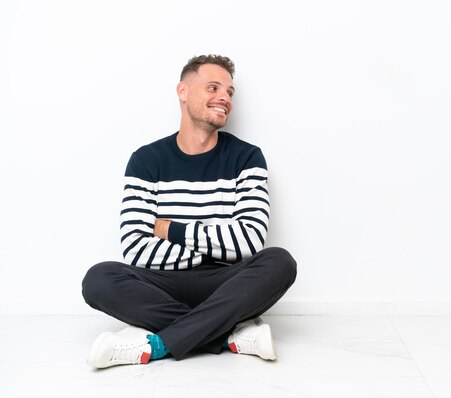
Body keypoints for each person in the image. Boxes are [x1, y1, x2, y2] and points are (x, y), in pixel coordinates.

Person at [81, 55, 297, 368]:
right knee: (99, 278)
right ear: (183, 91)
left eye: (230, 92)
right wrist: (212, 247)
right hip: (163, 283)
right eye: (213, 87)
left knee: (280, 262)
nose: (225, 97)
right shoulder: (146, 160)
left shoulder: (247, 158)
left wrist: (170, 229)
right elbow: (135, 247)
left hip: (224, 283)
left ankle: (156, 345)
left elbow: (249, 242)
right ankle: (227, 336)